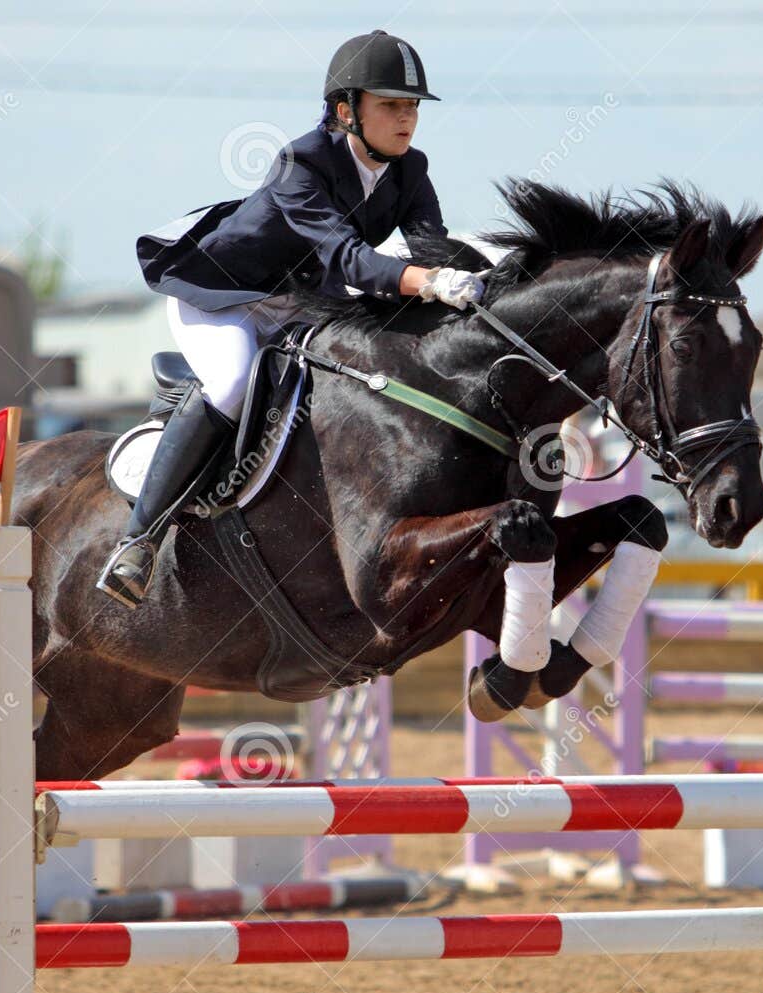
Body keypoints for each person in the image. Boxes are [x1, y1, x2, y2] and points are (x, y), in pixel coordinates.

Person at [99, 29, 486, 608]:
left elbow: (432, 250)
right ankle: (138, 542)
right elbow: (348, 257)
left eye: (411, 107)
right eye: (391, 105)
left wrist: (484, 281)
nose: (406, 119)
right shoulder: (301, 163)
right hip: (226, 294)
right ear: (345, 110)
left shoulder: (411, 170)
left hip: (306, 299)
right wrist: (426, 282)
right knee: (231, 384)